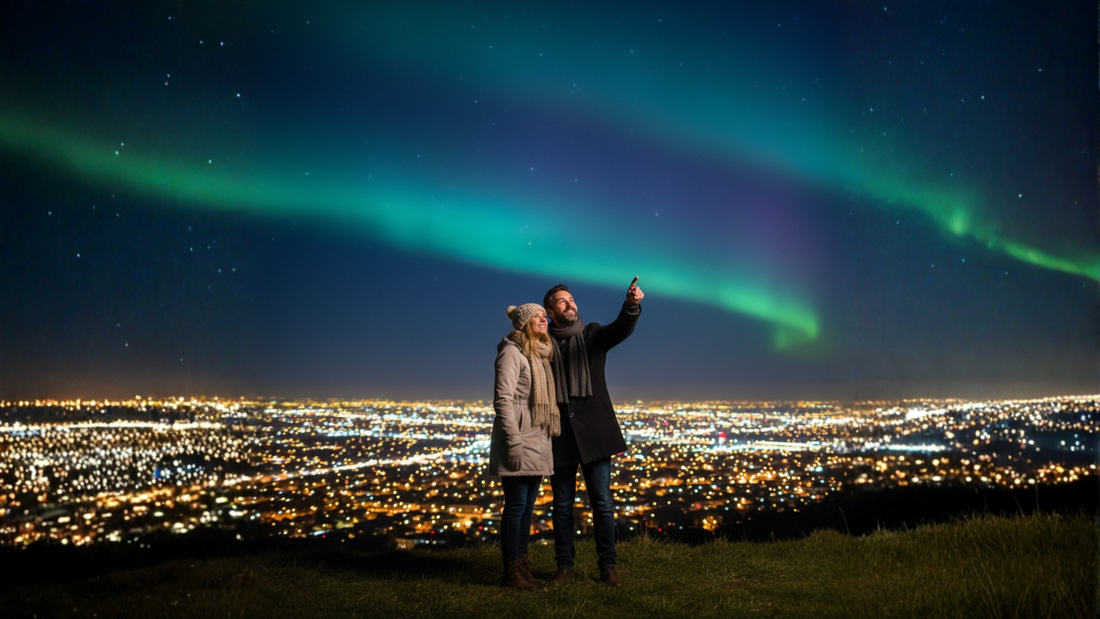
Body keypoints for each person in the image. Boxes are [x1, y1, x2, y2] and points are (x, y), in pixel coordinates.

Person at [544, 277, 643, 587]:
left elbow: (619, 330)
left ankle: (608, 568)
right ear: (550, 311)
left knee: (601, 503)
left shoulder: (591, 335)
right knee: (561, 506)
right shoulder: (542, 344)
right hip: (559, 435)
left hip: (595, 434)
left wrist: (630, 306)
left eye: (571, 299)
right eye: (562, 301)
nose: (570, 303)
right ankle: (564, 567)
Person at [490, 303, 561, 589]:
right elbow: (503, 401)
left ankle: (521, 566)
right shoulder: (512, 353)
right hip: (520, 436)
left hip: (537, 436)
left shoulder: (540, 354)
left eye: (545, 315)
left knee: (526, 507)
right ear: (523, 323)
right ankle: (512, 572)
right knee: (516, 506)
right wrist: (513, 441)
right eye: (537, 316)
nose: (544, 319)